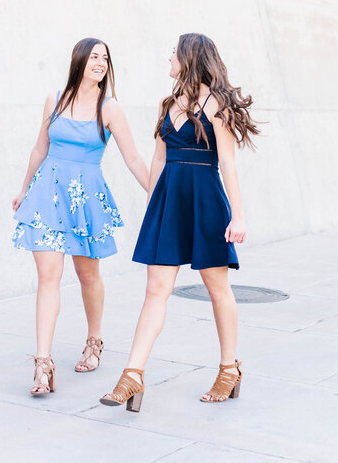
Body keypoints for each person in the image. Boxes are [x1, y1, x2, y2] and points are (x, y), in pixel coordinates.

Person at [100, 32, 259, 411]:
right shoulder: (168, 103)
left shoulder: (216, 103)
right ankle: (132, 375)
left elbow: (228, 164)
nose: (167, 58)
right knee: (155, 290)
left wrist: (238, 214)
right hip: (169, 201)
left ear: (189, 58)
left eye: (173, 53)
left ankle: (228, 368)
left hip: (205, 199)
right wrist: (157, 201)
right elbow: (158, 159)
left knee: (216, 286)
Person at [12, 37, 149, 395]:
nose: (100, 62)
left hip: (85, 199)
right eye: (94, 57)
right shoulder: (55, 98)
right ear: (79, 61)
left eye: (105, 58)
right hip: (46, 195)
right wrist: (24, 188)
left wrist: (155, 190)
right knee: (48, 275)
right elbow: (41, 146)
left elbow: (132, 157)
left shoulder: (109, 108)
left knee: (87, 275)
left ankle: (94, 339)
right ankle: (43, 364)